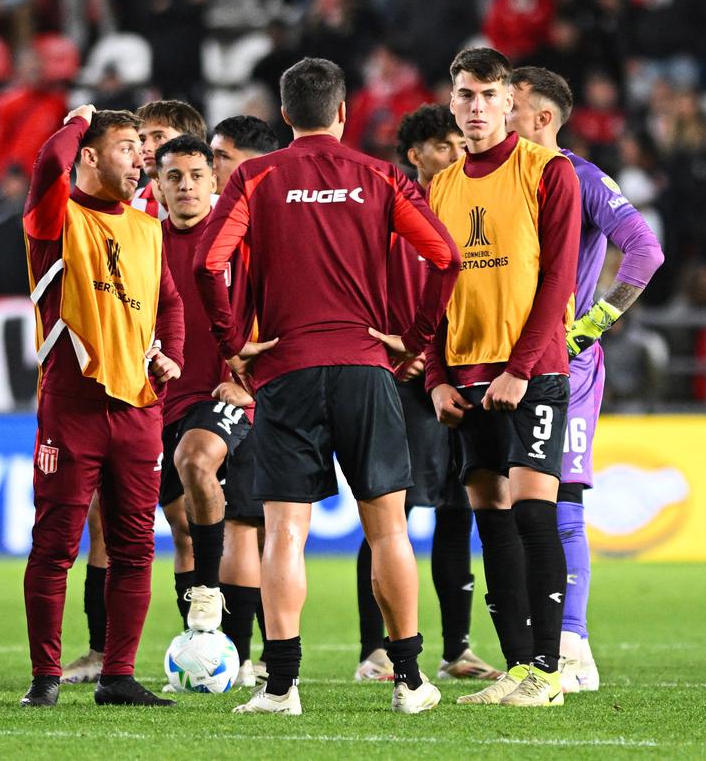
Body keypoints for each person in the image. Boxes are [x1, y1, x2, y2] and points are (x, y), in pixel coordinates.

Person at [195, 57, 459, 716]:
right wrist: (418, 338)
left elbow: (208, 261)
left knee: (284, 532)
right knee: (388, 529)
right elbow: (447, 257)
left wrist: (234, 347)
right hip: (366, 370)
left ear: (285, 115)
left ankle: (281, 685)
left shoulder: (256, 176)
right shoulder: (382, 175)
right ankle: (409, 680)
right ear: (343, 112)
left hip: (284, 371)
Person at [424, 47, 580, 707]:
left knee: (535, 510)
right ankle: (520, 667)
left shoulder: (549, 171)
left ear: (512, 103)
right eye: (465, 95)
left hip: (531, 373)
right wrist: (435, 375)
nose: (477, 107)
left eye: (489, 95)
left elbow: (558, 278)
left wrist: (520, 368)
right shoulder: (442, 185)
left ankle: (548, 670)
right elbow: (431, 290)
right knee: (490, 516)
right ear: (453, 102)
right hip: (464, 374)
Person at [507, 65, 664, 693]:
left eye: (507, 103)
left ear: (542, 118)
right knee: (509, 507)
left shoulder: (580, 178)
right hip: (499, 363)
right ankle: (531, 648)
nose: (493, 111)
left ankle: (573, 646)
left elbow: (645, 250)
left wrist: (593, 322)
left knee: (561, 503)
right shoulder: (493, 178)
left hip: (563, 367)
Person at [21, 105, 184, 708]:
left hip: (138, 408)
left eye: (143, 147)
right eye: (126, 147)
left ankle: (118, 675)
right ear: (89, 157)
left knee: (135, 546)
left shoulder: (148, 228)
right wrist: (74, 121)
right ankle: (46, 675)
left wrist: (171, 355)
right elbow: (47, 166)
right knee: (57, 545)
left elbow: (169, 304)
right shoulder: (54, 219)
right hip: (72, 406)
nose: (141, 157)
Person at [355, 104, 503, 685]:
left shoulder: (471, 210)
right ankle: (376, 650)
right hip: (398, 378)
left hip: (459, 373)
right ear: (415, 154)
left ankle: (457, 649)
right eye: (444, 144)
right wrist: (401, 350)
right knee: (390, 509)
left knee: (458, 509)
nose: (458, 151)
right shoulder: (384, 212)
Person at [153, 134, 262, 690]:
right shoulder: (145, 243)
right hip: (156, 402)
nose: (187, 185)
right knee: (182, 530)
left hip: (224, 396)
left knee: (199, 463)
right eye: (174, 176)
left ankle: (212, 603)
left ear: (214, 182)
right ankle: (208, 651)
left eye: (197, 174)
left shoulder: (239, 240)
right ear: (158, 186)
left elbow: (276, 306)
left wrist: (250, 378)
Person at [208, 114, 281, 686]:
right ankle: (239, 655)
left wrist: (249, 375)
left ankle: (237, 656)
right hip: (246, 389)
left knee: (247, 522)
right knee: (245, 520)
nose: (212, 171)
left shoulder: (255, 224)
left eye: (221, 158)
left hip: (260, 393)